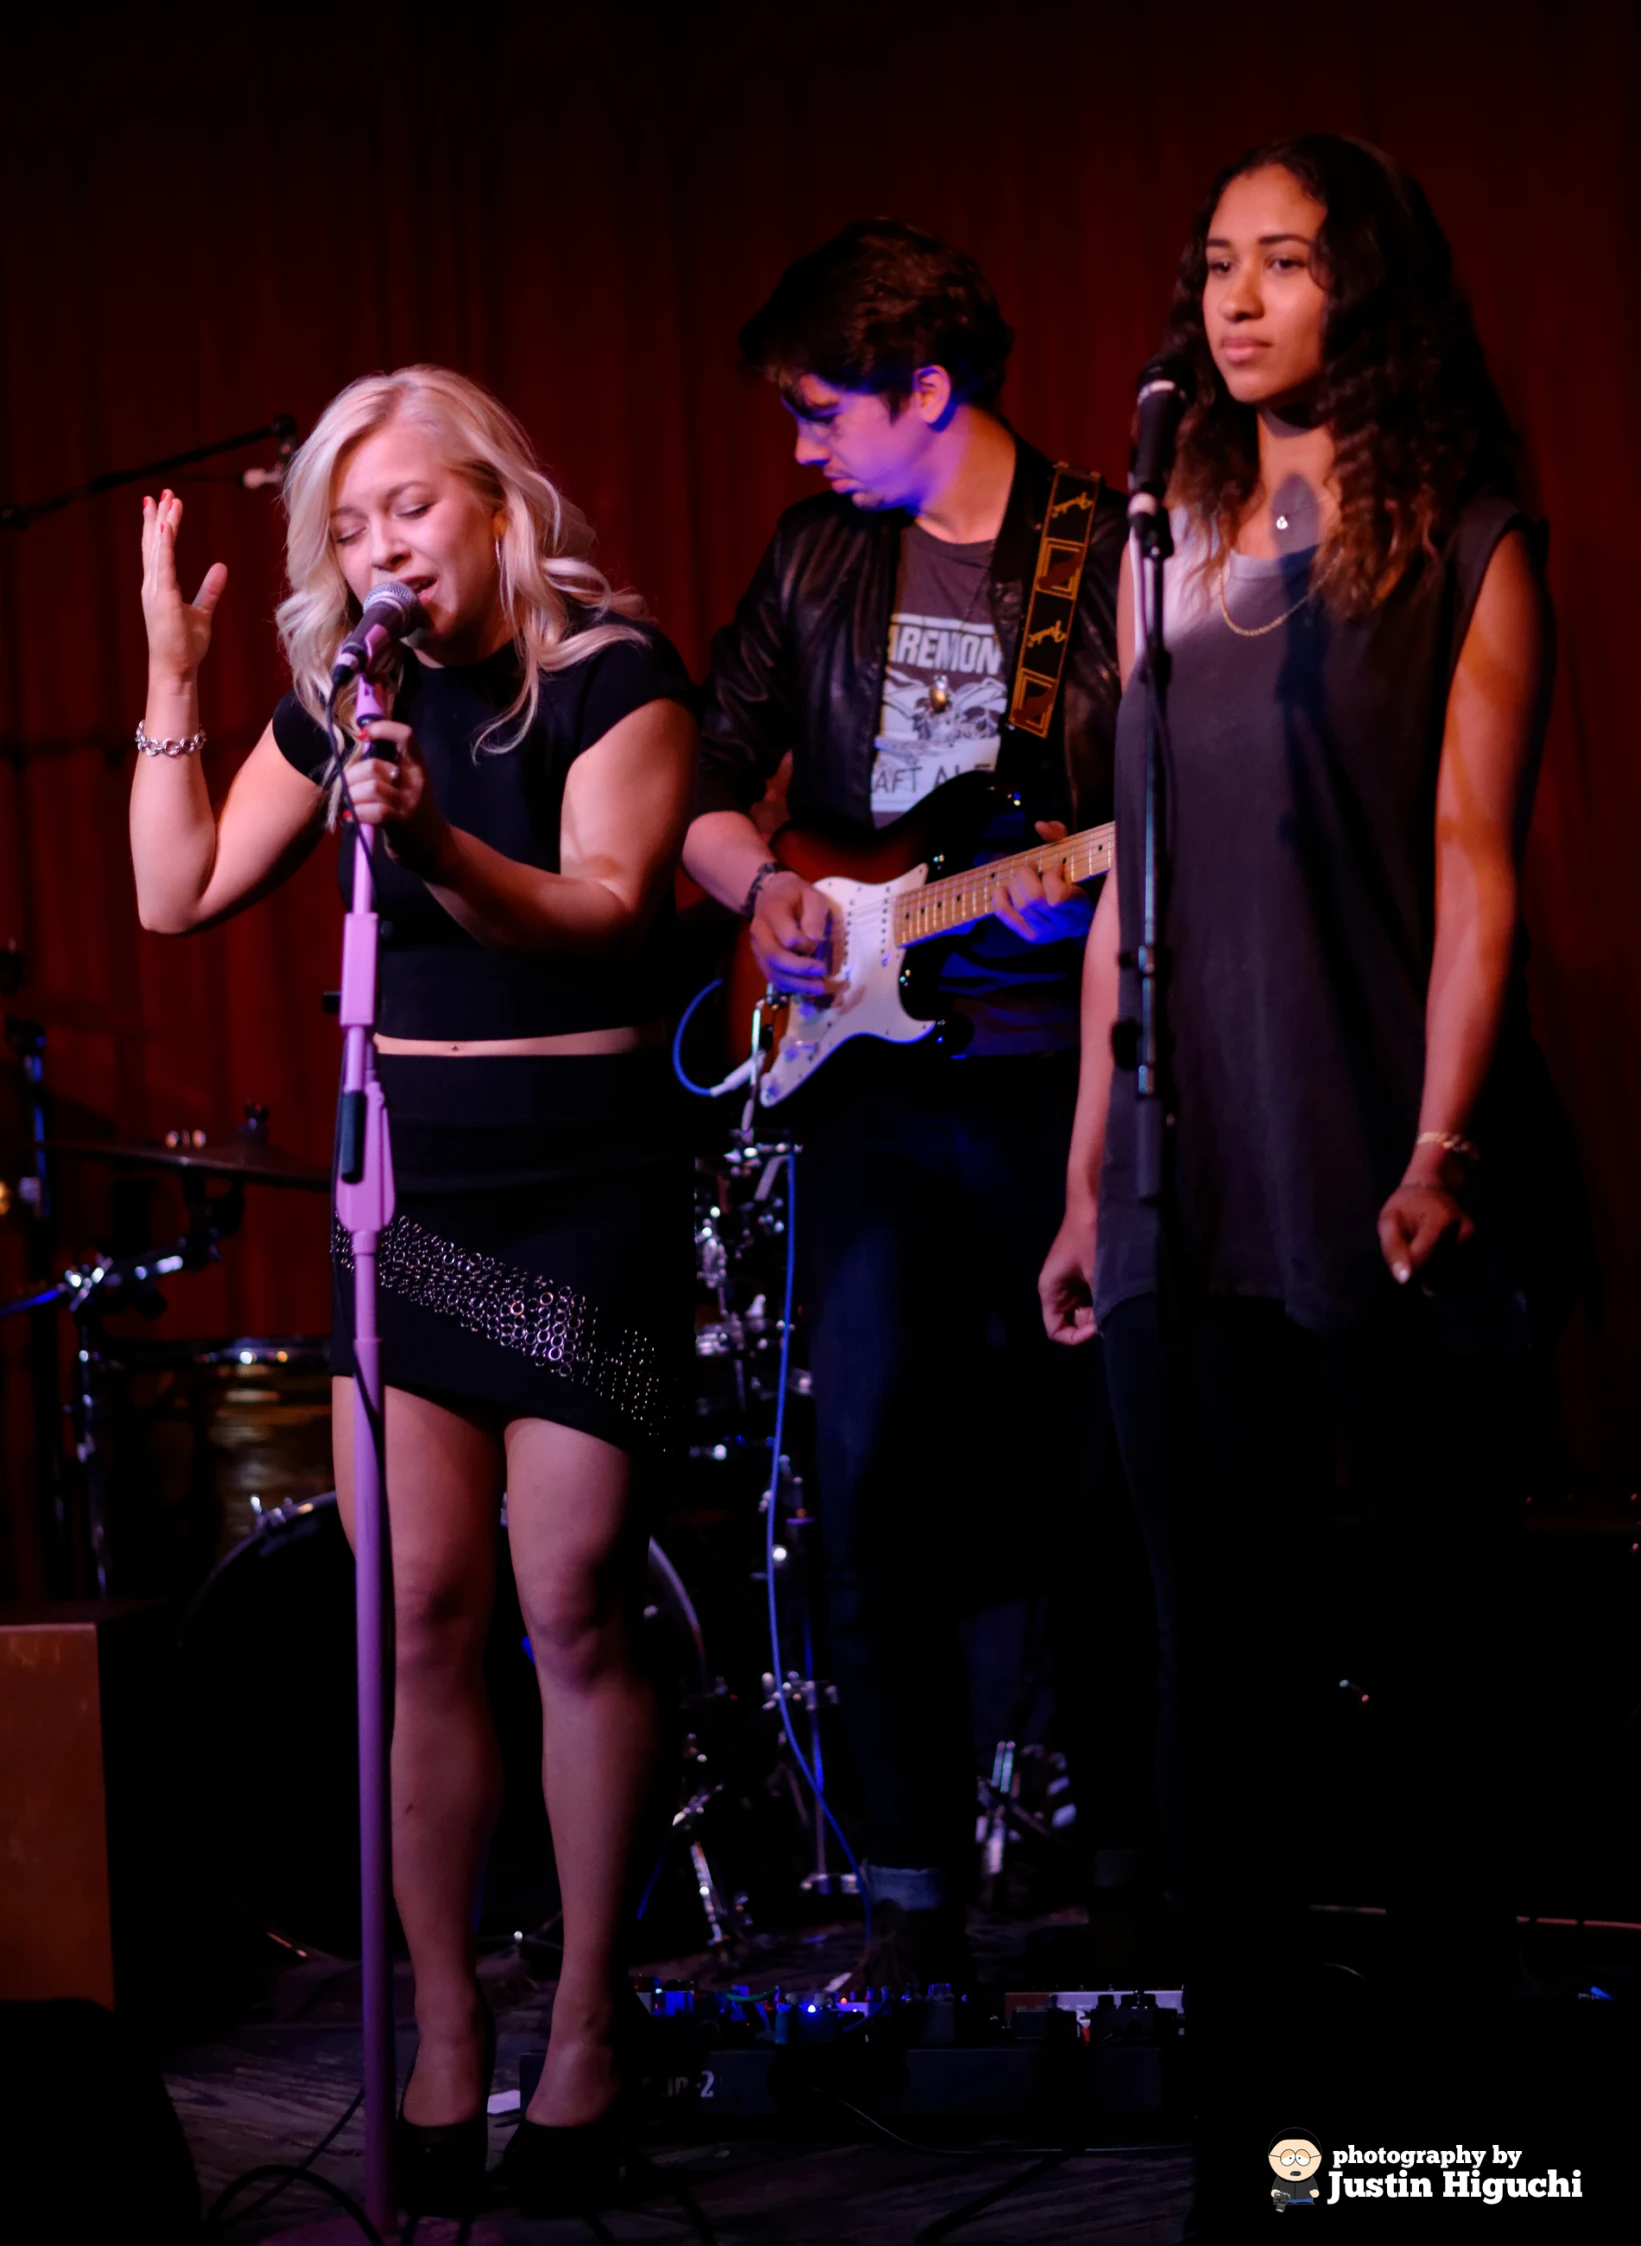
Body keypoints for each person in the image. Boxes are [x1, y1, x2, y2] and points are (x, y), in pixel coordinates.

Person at [1038, 136, 1556, 2209]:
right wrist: (1084, 1183)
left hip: (1369, 1142)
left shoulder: (1463, 533)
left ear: (1370, 291)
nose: (1239, 299)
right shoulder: (1159, 533)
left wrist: (1438, 1142)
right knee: (1210, 1649)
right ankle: (1254, 2133)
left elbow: (1471, 864)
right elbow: (1117, 894)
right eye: (1217, 266)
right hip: (1177, 1172)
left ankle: (1443, 2118)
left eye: (1287, 263)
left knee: (1438, 1637)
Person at [130, 366, 696, 2218]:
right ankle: (447, 2027)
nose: (381, 550)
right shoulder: (343, 700)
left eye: (409, 512)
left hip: (580, 1196)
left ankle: (591, 2019)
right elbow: (178, 890)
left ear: (495, 502)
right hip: (416, 1200)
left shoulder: (615, 677)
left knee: (568, 1600)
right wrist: (175, 683)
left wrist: (430, 834)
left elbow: (609, 905)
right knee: (424, 1611)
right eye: (350, 526)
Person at [684, 219, 1130, 1987]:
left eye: (820, 413)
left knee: (1096, 1488)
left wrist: (1078, 898)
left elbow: (1155, 826)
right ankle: (911, 1896)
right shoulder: (815, 566)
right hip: (866, 1092)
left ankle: (1129, 1869)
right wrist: (762, 891)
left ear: (926, 390)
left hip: (1062, 1090)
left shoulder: (1109, 557)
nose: (802, 449)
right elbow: (717, 785)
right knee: (863, 1481)